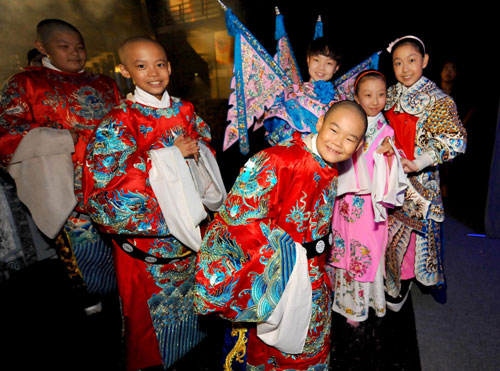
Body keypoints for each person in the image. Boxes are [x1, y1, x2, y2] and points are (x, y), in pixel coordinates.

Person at [83, 36, 226, 371]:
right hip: (148, 242)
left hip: (188, 230)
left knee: (197, 307)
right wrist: (168, 157)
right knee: (149, 322)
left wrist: (193, 151)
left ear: (170, 67)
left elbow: (204, 147)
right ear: (125, 71)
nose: (153, 73)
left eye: (159, 64)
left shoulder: (184, 109)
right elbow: (104, 186)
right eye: (141, 65)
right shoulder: (120, 120)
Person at [194, 100, 368, 370]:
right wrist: (287, 257)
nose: (338, 142)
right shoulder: (279, 159)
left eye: (350, 139)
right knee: (275, 351)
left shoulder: (328, 164)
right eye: (334, 130)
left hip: (314, 278)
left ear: (358, 147)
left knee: (310, 348)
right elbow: (237, 219)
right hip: (281, 276)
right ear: (319, 124)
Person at [0, 19, 122, 312]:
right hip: (67, 184)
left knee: (119, 249)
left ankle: (122, 300)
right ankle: (89, 304)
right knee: (83, 252)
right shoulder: (25, 83)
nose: (75, 53)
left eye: (79, 46)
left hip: (114, 183)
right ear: (42, 47)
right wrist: (62, 138)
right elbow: (6, 130)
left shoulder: (103, 83)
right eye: (64, 46)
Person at [382, 35, 467, 309]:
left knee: (421, 237)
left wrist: (418, 163)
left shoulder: (438, 100)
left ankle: (425, 280)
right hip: (389, 178)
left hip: (422, 182)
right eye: (398, 62)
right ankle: (397, 282)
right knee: (391, 234)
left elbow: (456, 141)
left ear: (425, 61)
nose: (405, 68)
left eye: (411, 61)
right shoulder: (389, 94)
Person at [327, 70, 407, 325]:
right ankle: (342, 302)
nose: (375, 101)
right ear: (357, 98)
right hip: (345, 203)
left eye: (381, 95)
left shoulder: (388, 131)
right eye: (368, 95)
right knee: (342, 249)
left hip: (371, 206)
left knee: (365, 253)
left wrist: (390, 152)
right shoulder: (349, 124)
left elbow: (398, 166)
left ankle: (361, 307)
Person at [263, 36, 342, 145]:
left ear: (336, 67)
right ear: (308, 59)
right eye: (316, 60)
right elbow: (278, 129)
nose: (321, 68)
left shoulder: (340, 102)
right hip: (294, 154)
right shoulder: (292, 93)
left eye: (329, 63)